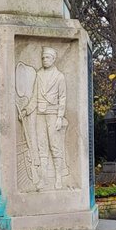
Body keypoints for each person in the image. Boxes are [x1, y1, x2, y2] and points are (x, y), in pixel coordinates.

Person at [21, 47, 68, 189]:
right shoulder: (39, 74)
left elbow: (63, 98)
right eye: (43, 58)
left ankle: (58, 178)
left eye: (47, 58)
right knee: (42, 147)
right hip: (40, 115)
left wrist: (60, 117)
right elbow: (34, 96)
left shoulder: (59, 76)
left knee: (55, 146)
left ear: (53, 59)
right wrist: (26, 110)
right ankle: (43, 179)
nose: (44, 60)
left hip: (53, 114)